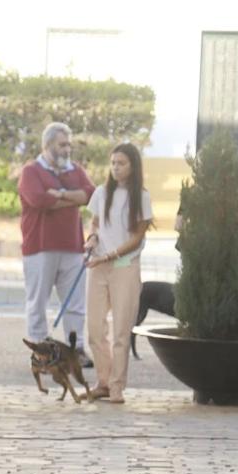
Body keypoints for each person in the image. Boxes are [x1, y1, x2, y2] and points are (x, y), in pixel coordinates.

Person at [17, 121, 95, 368]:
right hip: (39, 247)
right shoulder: (31, 171)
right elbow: (38, 200)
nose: (67, 149)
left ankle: (77, 349)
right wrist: (74, 199)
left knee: (76, 304)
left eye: (69, 145)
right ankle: (41, 351)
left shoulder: (75, 170)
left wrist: (59, 194)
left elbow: (90, 195)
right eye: (62, 145)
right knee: (37, 302)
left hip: (73, 246)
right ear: (47, 145)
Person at [83, 142, 153, 405]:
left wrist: (109, 255)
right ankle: (103, 381)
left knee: (121, 331)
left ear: (133, 166)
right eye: (113, 163)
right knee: (95, 329)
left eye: (121, 163)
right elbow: (95, 223)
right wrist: (91, 240)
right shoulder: (101, 193)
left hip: (124, 266)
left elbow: (137, 238)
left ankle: (116, 387)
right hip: (98, 266)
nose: (115, 168)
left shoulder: (142, 197)